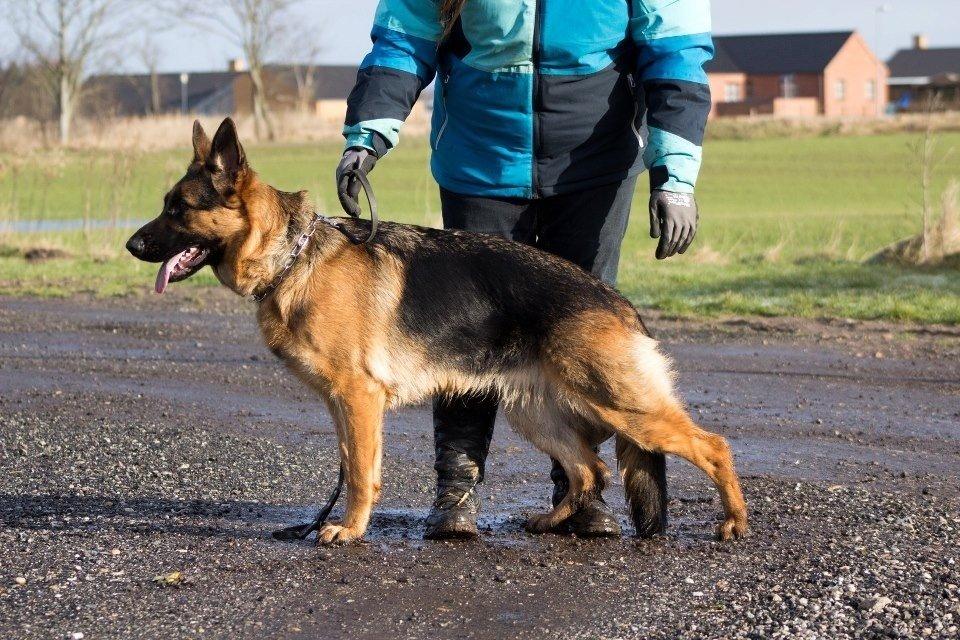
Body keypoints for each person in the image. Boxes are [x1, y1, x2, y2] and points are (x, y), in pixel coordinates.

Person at [337, 0, 713, 539]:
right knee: (458, 332)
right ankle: (455, 491)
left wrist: (675, 176)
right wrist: (366, 136)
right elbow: (404, 38)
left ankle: (578, 495)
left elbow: (674, 51)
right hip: (478, 163)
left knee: (581, 341)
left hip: (594, 167)